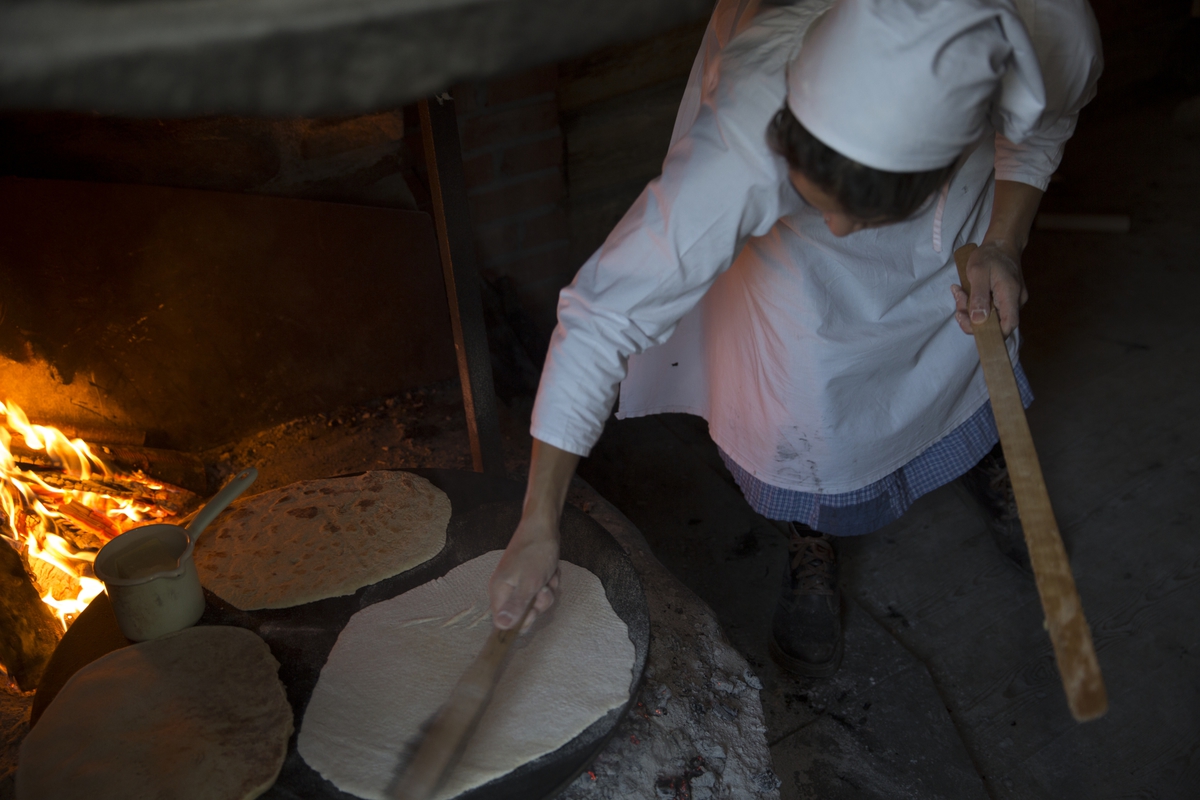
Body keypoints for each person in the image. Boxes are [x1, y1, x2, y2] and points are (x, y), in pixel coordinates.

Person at [488, 0, 1103, 677]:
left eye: (856, 214)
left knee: (962, 348)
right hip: (793, 268)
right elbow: (604, 316)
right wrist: (539, 523)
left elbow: (1040, 131)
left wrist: (1003, 244)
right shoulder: (747, 139)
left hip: (956, 220)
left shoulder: (1050, 31)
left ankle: (979, 459)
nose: (836, 229)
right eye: (815, 198)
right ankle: (813, 540)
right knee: (808, 392)